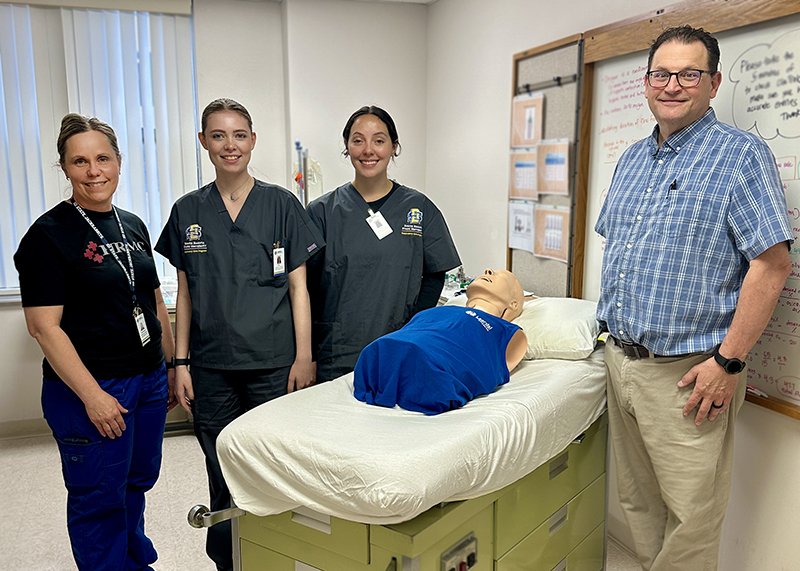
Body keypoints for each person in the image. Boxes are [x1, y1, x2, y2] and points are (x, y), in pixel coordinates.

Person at [595, 26, 793, 571]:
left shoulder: (740, 156)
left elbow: (771, 265)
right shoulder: (632, 158)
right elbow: (620, 250)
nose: (673, 85)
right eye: (662, 73)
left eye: (689, 74)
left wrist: (728, 363)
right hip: (623, 361)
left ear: (713, 83)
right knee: (637, 503)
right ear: (647, 81)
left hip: (688, 375)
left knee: (691, 518)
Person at [155, 98, 323, 571]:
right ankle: (228, 561)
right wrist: (181, 363)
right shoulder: (189, 210)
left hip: (272, 364)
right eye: (219, 135)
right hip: (211, 368)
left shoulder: (281, 205)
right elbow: (185, 294)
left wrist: (304, 356)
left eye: (239, 135)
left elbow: (299, 289)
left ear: (253, 140)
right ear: (204, 142)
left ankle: (277, 556)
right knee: (221, 468)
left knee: (273, 468)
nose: (230, 145)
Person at [14, 113, 176, 570]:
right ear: (65, 169)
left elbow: (151, 297)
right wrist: (94, 397)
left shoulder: (132, 225)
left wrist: (168, 365)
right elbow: (44, 327)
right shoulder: (48, 237)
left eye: (102, 158)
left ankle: (133, 562)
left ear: (119, 162)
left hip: (145, 380)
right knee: (99, 497)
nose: (94, 170)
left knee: (136, 482)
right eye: (79, 161)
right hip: (93, 388)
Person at [307, 105, 461, 383]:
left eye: (379, 140)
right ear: (347, 147)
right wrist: (308, 354)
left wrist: (412, 330)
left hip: (399, 348)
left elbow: (435, 273)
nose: (369, 150)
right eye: (358, 140)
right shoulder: (321, 211)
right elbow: (307, 288)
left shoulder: (418, 208)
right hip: (337, 354)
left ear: (394, 147)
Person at [354, 269, 528, 414]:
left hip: (430, 369)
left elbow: (487, 367)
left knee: (422, 357)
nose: (488, 271)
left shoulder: (508, 333)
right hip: (381, 352)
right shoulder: (438, 311)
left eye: (502, 276)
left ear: (513, 304)